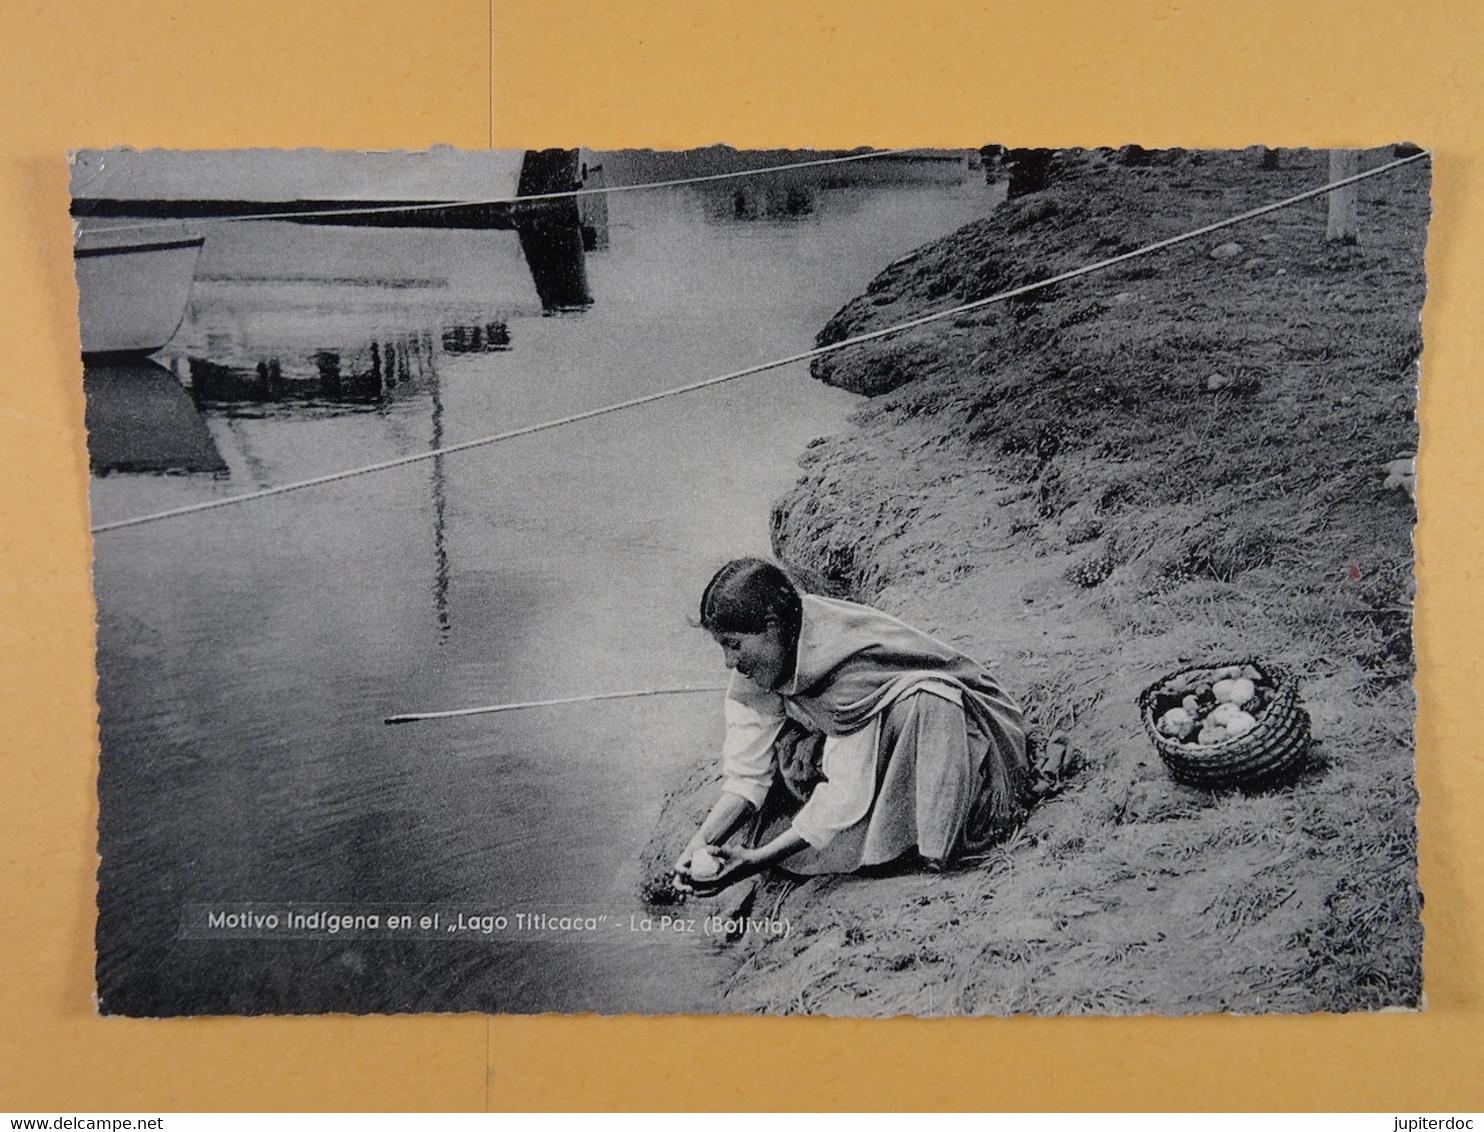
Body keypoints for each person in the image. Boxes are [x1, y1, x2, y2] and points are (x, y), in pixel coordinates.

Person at [673, 557, 1031, 894]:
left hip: (943, 735)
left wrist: (757, 861)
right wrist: (702, 841)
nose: (728, 662)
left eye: (734, 645)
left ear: (770, 626)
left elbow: (845, 795)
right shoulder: (764, 659)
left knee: (929, 701)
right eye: (722, 646)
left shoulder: (843, 668)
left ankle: (932, 847)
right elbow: (747, 776)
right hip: (867, 746)